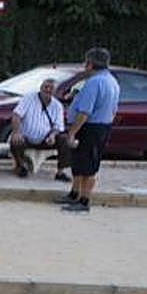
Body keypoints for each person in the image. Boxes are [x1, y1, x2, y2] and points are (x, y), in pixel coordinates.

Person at [60, 47, 121, 213]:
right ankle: (75, 193)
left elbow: (85, 111)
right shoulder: (112, 80)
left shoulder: (95, 82)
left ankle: (84, 199)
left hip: (91, 127)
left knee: (87, 164)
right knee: (81, 162)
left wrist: (72, 132)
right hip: (102, 126)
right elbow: (114, 109)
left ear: (90, 64)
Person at [9, 78, 72, 181]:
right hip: (26, 137)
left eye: (51, 88)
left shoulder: (57, 106)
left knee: (65, 139)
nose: (47, 90)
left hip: (45, 139)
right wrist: (16, 132)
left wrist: (52, 136)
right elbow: (16, 115)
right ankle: (20, 166)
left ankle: (60, 172)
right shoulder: (28, 99)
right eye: (45, 87)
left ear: (54, 91)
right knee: (15, 140)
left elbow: (58, 127)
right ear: (41, 88)